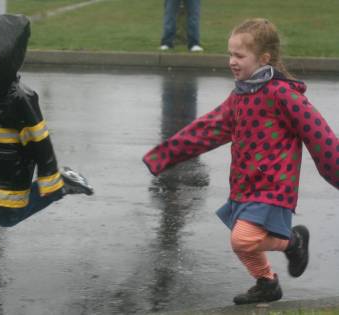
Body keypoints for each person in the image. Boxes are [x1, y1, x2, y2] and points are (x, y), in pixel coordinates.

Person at [144, 18, 338, 305]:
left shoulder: (282, 94)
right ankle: (267, 283)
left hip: (274, 187)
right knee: (244, 243)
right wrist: (166, 154)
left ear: (263, 58)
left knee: (242, 239)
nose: (231, 61)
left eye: (239, 55)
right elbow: (206, 129)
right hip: (245, 184)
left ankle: (294, 242)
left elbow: (319, 135)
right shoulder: (240, 96)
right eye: (230, 54)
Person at [0, 14, 94, 297]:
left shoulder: (20, 97)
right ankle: (64, 185)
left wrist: (47, 175)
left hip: (8, 172)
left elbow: (40, 142)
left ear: (2, 55)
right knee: (8, 219)